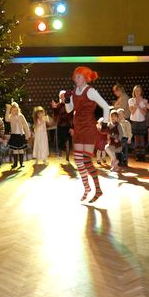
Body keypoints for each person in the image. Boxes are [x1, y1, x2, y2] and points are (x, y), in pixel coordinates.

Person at [64, 66, 111, 202]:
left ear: (85, 78)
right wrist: (67, 100)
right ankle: (87, 188)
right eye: (75, 76)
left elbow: (106, 106)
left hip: (89, 128)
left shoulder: (90, 91)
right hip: (78, 127)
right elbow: (69, 110)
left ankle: (98, 190)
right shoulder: (75, 90)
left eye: (79, 76)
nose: (76, 79)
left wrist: (105, 123)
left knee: (86, 160)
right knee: (78, 160)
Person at [128, 85, 149, 161]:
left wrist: (139, 105)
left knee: (142, 138)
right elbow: (132, 112)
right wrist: (136, 104)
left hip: (142, 121)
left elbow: (144, 113)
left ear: (141, 92)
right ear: (134, 92)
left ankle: (142, 155)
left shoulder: (144, 101)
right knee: (136, 138)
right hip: (134, 121)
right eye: (136, 90)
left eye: (139, 90)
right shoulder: (131, 100)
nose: (137, 92)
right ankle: (137, 155)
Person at [5, 102, 31, 169]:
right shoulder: (11, 116)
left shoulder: (21, 116)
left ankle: (21, 163)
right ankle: (15, 163)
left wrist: (27, 133)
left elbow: (25, 125)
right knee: (15, 150)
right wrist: (8, 109)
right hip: (14, 135)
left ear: (18, 109)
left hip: (21, 135)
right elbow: (6, 119)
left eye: (16, 110)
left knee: (21, 149)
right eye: (14, 110)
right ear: (11, 110)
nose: (15, 112)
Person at [51, 92, 73, 163]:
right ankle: (60, 153)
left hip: (68, 126)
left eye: (64, 96)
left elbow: (72, 117)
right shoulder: (58, 105)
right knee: (60, 141)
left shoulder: (70, 105)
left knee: (67, 141)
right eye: (62, 96)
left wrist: (72, 127)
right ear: (60, 97)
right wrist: (54, 108)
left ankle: (67, 158)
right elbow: (55, 116)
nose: (63, 97)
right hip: (60, 126)